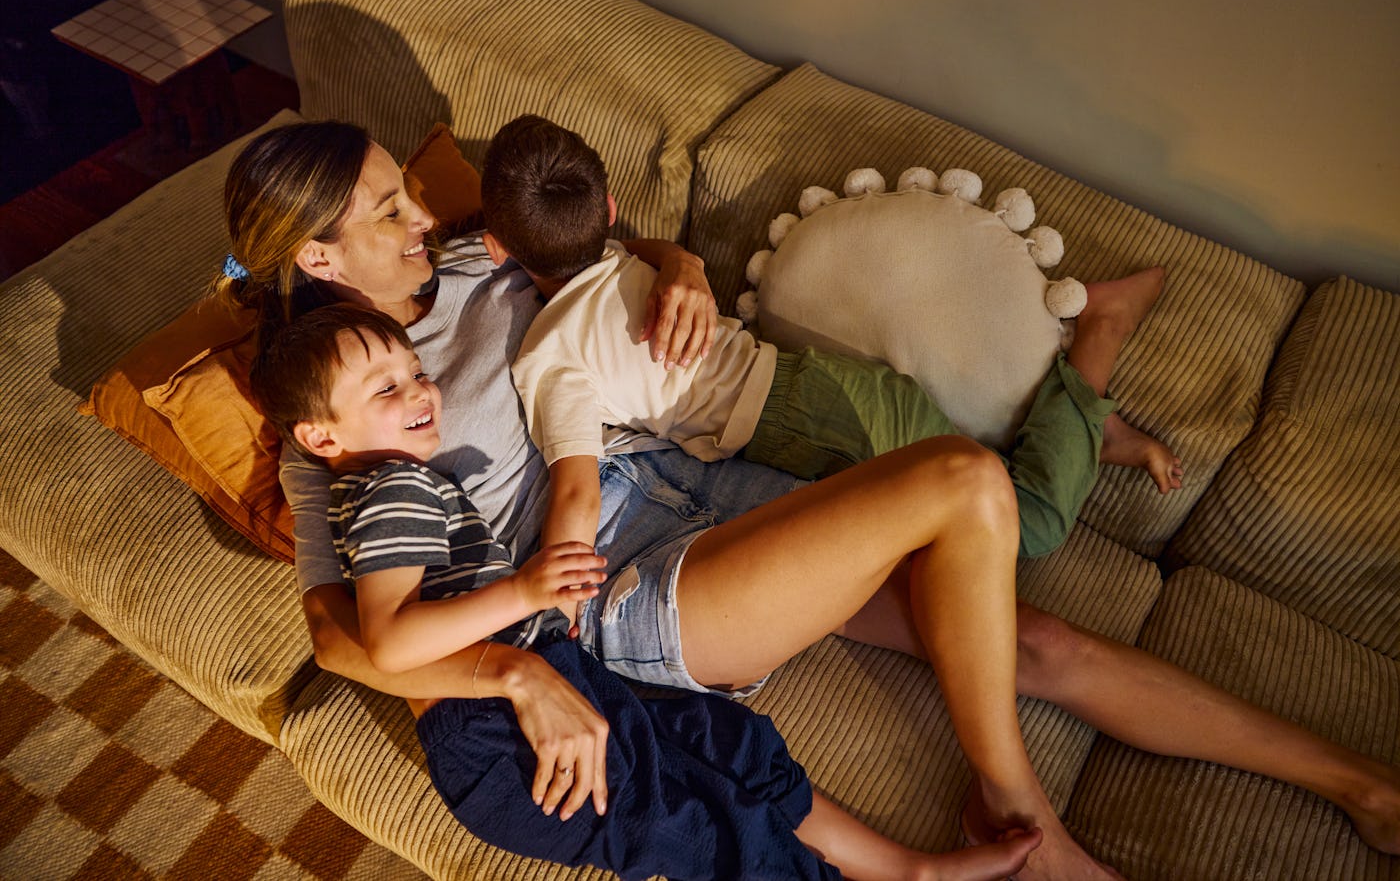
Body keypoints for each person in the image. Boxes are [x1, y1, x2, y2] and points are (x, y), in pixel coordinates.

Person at [219, 119, 1400, 881]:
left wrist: (681, 268)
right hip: (609, 587)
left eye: (403, 193)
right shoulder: (326, 418)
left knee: (1026, 633)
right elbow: (348, 642)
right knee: (961, 479)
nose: (420, 214)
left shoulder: (475, 256)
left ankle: (1364, 787)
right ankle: (1022, 815)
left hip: (678, 477)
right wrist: (518, 672)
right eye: (385, 212)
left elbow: (603, 248)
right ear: (317, 261)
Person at [248, 301, 1042, 880]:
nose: (421, 392)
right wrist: (526, 592)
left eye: (415, 372)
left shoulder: (399, 481)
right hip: (495, 736)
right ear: (321, 438)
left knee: (729, 745)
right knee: (710, 829)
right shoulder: (391, 492)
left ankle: (907, 871)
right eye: (387, 391)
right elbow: (387, 641)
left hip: (555, 672)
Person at [484, 114, 1182, 569]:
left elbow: (576, 493)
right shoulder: (619, 257)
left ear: (495, 249)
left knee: (1026, 530)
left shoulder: (547, 355)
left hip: (817, 422)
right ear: (606, 209)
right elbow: (622, 252)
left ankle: (1099, 341)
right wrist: (675, 262)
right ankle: (1087, 431)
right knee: (966, 497)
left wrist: (557, 599)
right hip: (815, 395)